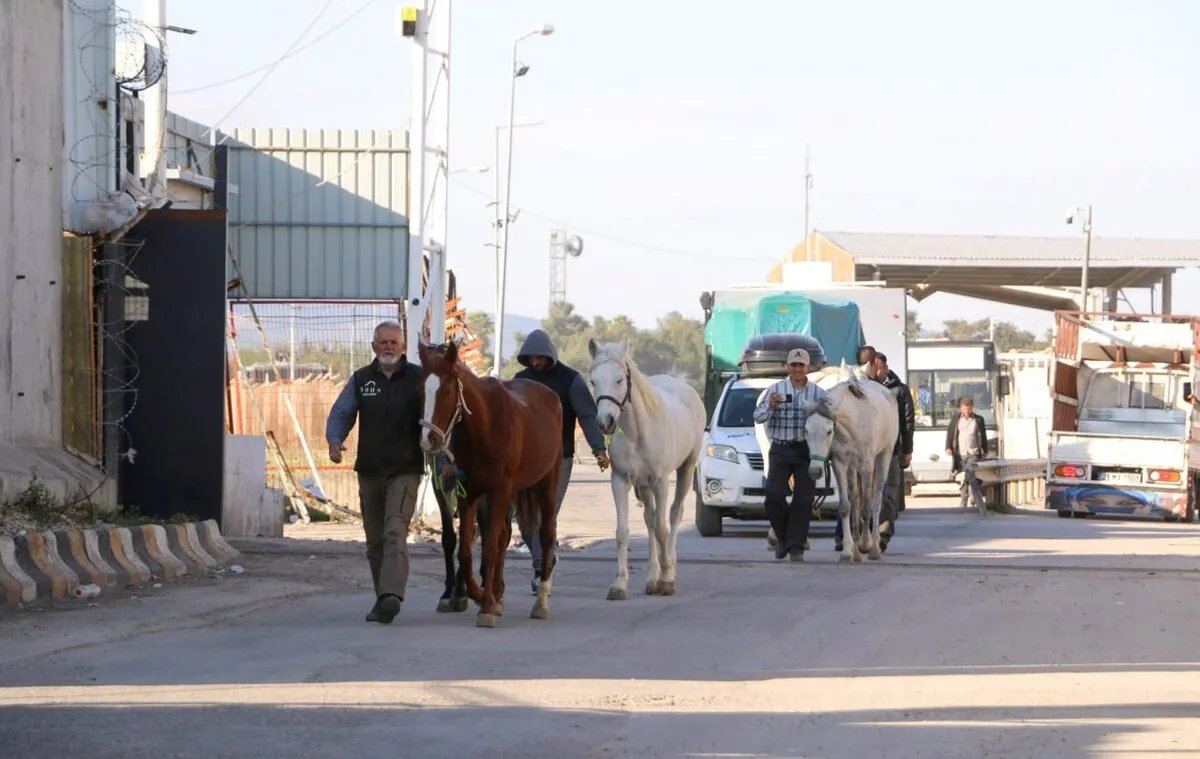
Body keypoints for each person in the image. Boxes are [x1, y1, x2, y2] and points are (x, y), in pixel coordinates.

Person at [325, 320, 424, 625]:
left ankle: (391, 596)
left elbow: (439, 417)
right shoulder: (361, 379)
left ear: (403, 347)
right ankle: (382, 597)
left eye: (394, 342)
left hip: (405, 469)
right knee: (375, 539)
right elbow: (342, 412)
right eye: (383, 342)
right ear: (373, 346)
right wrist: (335, 439)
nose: (388, 347)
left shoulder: (420, 380)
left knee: (395, 530)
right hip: (369, 470)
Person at [513, 329, 610, 593]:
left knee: (545, 515)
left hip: (559, 459)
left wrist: (599, 448)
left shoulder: (570, 380)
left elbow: (587, 416)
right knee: (523, 518)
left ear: (549, 355)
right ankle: (546, 558)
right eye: (530, 358)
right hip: (525, 461)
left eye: (539, 357)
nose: (535, 362)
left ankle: (539, 569)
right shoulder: (520, 380)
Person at [753, 347, 826, 562]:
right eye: (793, 365)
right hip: (781, 448)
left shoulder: (818, 393)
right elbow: (758, 416)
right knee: (773, 496)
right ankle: (784, 537)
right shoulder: (774, 389)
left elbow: (827, 422)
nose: (797, 369)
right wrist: (771, 407)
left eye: (801, 365)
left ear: (807, 367)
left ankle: (796, 547)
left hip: (806, 450)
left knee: (803, 500)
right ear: (787, 366)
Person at [874, 352, 914, 551]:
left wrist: (907, 449)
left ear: (885, 368)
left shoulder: (899, 390)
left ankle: (883, 534)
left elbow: (907, 422)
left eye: (878, 368)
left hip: (891, 450)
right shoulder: (863, 389)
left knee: (889, 494)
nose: (875, 371)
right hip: (867, 451)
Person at [945, 396, 989, 515]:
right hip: (960, 454)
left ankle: (971, 499)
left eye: (969, 409)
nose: (967, 411)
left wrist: (985, 449)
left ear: (972, 408)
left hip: (973, 453)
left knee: (970, 475)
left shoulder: (978, 420)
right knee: (965, 477)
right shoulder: (956, 419)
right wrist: (948, 447)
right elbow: (950, 434)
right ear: (961, 408)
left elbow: (983, 436)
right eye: (965, 409)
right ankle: (966, 499)